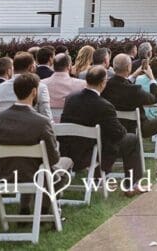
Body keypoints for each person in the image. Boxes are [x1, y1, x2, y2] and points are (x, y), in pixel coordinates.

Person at [60, 67, 146, 196]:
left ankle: (98, 177)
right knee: (131, 139)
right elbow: (119, 134)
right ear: (102, 83)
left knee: (104, 138)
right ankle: (132, 185)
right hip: (91, 153)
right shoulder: (104, 105)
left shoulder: (70, 99)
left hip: (67, 151)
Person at [103, 54, 157, 174]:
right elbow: (154, 98)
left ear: (114, 67)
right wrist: (152, 79)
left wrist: (135, 74)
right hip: (137, 126)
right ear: (129, 67)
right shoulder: (135, 89)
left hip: (115, 127)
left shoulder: (106, 85)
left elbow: (122, 83)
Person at [0, 73, 74, 183]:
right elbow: (53, 158)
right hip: (37, 176)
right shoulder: (42, 122)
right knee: (66, 163)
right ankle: (48, 192)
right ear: (34, 92)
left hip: (6, 175)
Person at [0, 52, 53, 120]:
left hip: (2, 125)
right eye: (35, 66)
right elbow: (47, 117)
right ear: (31, 68)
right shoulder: (40, 87)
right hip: (30, 126)